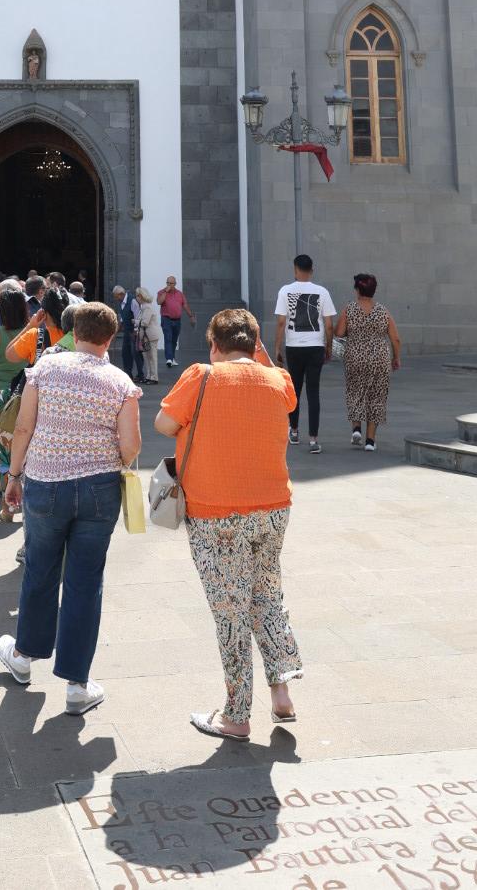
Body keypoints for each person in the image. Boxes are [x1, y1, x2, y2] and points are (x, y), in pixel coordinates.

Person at [155, 307, 302, 741]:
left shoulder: (201, 375)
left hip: (215, 512)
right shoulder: (278, 380)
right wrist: (260, 354)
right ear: (255, 345)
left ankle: (236, 715)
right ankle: (281, 692)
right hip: (273, 507)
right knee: (267, 595)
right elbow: (286, 395)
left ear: (213, 345)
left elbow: (164, 424)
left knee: (230, 612)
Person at [0, 301, 141, 714]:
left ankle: (23, 656)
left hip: (45, 483)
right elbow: (131, 447)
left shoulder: (45, 368)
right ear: (110, 339)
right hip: (99, 490)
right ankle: (77, 684)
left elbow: (24, 426)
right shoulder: (120, 382)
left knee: (40, 569)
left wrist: (15, 476)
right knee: (85, 581)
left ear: (74, 333)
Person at [273, 255, 336, 455]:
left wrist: (277, 347)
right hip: (316, 346)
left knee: (295, 390)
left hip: (294, 346)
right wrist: (328, 346)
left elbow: (281, 322)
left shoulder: (285, 291)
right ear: (312, 270)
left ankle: (294, 431)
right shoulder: (322, 292)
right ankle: (314, 440)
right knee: (313, 392)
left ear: (295, 269)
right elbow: (329, 325)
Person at [336, 275, 402, 452]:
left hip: (355, 357)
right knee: (377, 396)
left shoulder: (349, 309)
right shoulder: (383, 311)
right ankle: (370, 441)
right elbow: (395, 338)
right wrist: (396, 358)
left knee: (355, 391)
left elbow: (339, 332)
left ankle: (356, 428)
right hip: (379, 358)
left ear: (358, 290)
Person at [0, 283, 30, 515]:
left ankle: (8, 505)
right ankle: (23, 500)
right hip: (25, 394)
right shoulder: (31, 333)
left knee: (3, 448)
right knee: (26, 447)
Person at [157, 276, 196, 368]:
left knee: (174, 340)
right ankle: (169, 359)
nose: (169, 285)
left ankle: (172, 358)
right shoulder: (161, 292)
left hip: (177, 320)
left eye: (171, 283)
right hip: (166, 319)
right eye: (167, 283)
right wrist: (165, 292)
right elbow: (159, 302)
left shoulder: (179, 294)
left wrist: (191, 316)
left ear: (175, 284)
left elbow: (185, 305)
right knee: (168, 338)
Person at [112, 285, 141, 381]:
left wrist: (135, 331)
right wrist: (115, 332)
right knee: (125, 353)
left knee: (136, 354)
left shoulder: (132, 301)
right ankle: (128, 374)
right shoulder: (121, 303)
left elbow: (137, 317)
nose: (115, 299)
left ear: (121, 294)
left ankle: (140, 374)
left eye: (116, 296)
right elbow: (122, 319)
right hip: (127, 332)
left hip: (134, 332)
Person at [136, 288, 162, 384]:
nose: (136, 297)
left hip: (150, 336)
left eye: (137, 295)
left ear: (141, 296)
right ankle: (149, 376)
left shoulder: (147, 307)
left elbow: (145, 322)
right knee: (147, 357)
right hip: (146, 336)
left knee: (152, 357)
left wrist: (135, 321)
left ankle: (154, 378)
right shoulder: (144, 307)